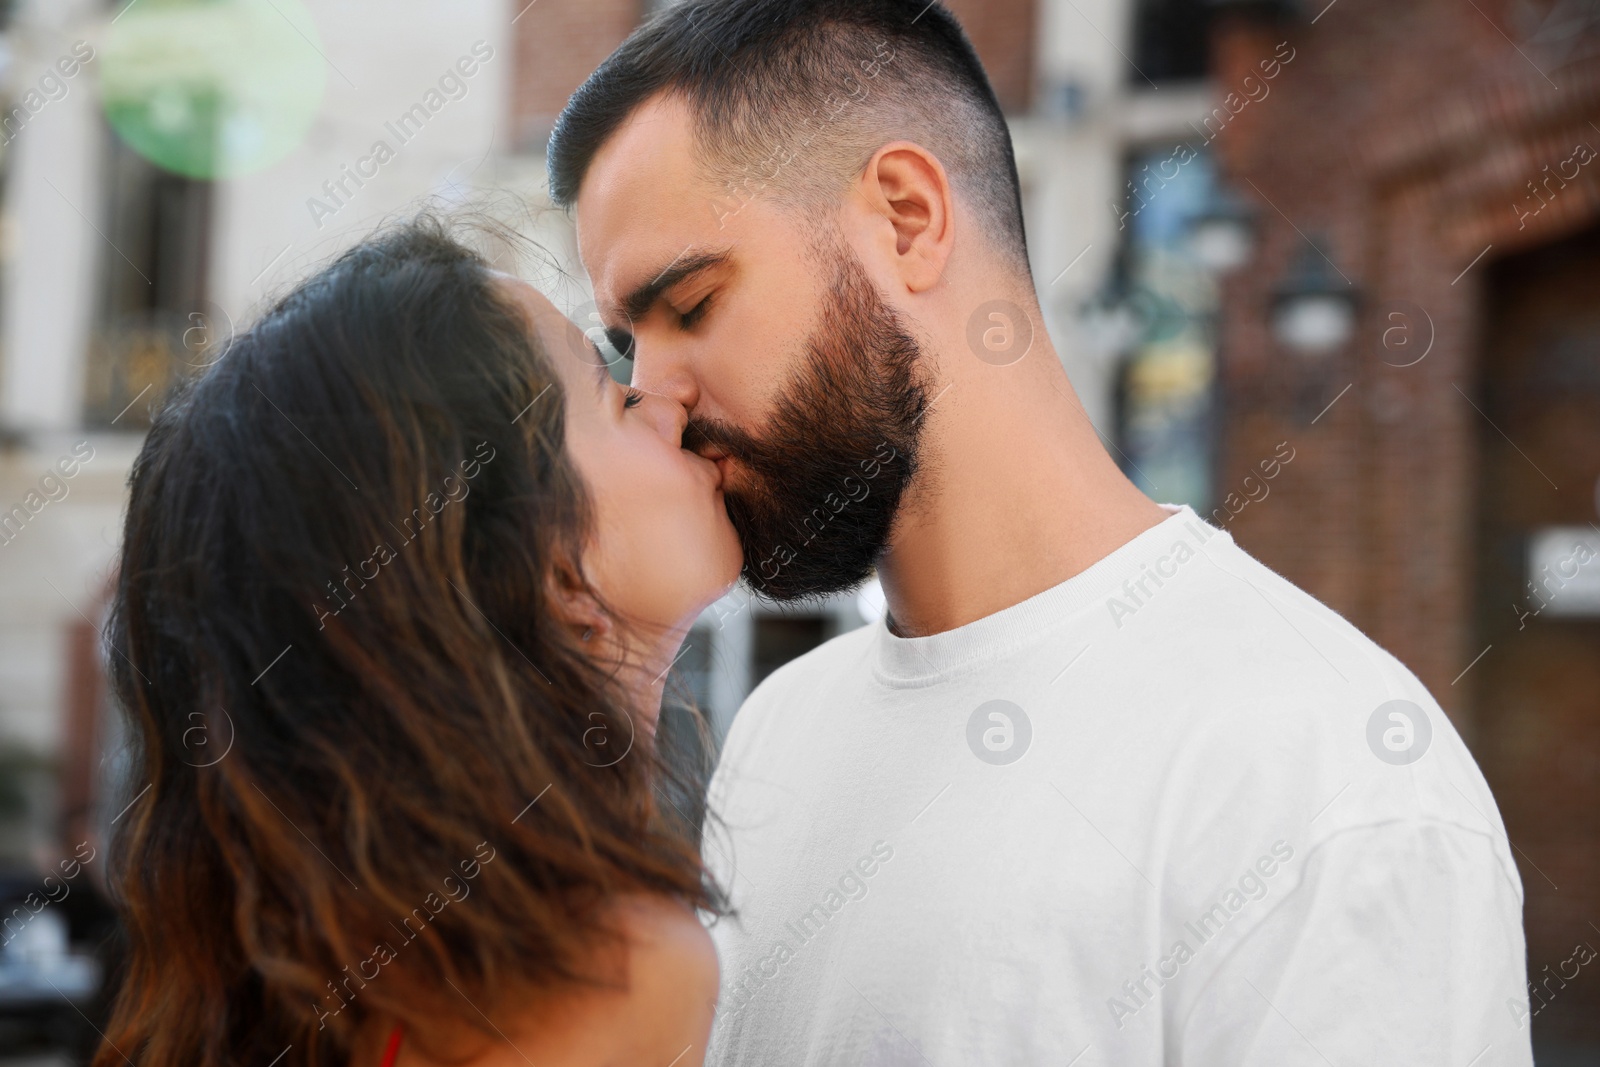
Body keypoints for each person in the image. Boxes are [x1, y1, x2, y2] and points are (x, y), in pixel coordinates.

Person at [546, 0, 1535, 1063]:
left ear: (908, 218)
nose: (656, 396)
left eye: (690, 304)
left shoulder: (1323, 773)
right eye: (623, 345)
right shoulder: (779, 729)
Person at [95, 217, 739, 1067]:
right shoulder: (610, 972)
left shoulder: (357, 969)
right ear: (549, 565)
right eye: (615, 395)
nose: (666, 400)